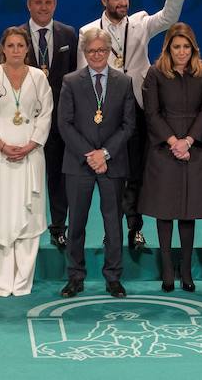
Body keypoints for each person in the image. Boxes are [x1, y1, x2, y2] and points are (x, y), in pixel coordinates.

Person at [78, 0, 185, 250]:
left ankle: (135, 228)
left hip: (137, 104)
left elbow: (168, 18)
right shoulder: (88, 32)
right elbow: (82, 73)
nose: (123, 2)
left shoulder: (139, 23)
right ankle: (110, 230)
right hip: (105, 108)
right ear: (104, 1)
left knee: (136, 171)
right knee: (110, 174)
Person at [138, 23, 202, 292]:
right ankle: (168, 271)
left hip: (194, 149)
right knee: (165, 211)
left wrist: (189, 141)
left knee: (188, 211)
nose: (181, 52)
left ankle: (186, 271)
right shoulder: (155, 73)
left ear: (193, 48)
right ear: (168, 49)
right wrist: (174, 142)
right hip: (164, 150)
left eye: (186, 47)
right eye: (176, 47)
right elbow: (152, 113)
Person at [0, 27, 53, 296]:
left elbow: (46, 115)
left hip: (31, 156)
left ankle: (22, 282)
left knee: (28, 217)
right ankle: (1, 281)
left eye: (21, 45)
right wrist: (1, 144)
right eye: (11, 45)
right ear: (3, 49)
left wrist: (31, 144)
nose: (16, 50)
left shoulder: (39, 78)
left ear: (27, 49)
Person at [59, 29, 136, 299]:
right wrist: (90, 155)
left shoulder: (124, 82)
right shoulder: (70, 81)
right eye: (91, 51)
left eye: (101, 50)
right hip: (78, 164)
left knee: (113, 223)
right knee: (76, 222)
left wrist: (104, 153)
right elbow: (64, 124)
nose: (96, 55)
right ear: (84, 53)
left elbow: (129, 125)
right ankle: (75, 277)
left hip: (112, 164)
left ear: (109, 52)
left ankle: (113, 277)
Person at [19, 0, 78, 249]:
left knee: (58, 176)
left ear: (54, 4)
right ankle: (21, 226)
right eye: (38, 2)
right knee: (23, 176)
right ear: (29, 4)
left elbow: (76, 76)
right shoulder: (16, 36)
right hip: (24, 121)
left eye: (48, 2)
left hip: (58, 120)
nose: (43, 7)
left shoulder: (68, 34)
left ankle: (58, 228)